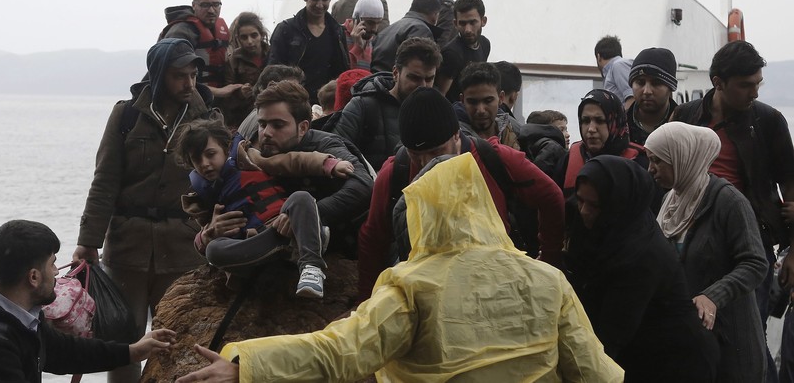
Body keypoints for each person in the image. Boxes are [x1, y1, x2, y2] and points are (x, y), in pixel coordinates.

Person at [173, 154, 624, 383]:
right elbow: (595, 372)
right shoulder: (548, 280)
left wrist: (245, 365)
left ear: (422, 213)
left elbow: (339, 352)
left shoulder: (414, 287)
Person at [73, 38, 214, 382]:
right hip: (127, 246)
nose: (190, 83)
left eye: (194, 75)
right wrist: (88, 241)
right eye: (180, 76)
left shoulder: (206, 117)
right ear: (159, 74)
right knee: (125, 340)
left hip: (183, 246)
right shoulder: (127, 115)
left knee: (177, 339)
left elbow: (218, 181)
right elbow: (105, 180)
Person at [357, 87, 565, 301]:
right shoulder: (395, 173)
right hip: (427, 295)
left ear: (457, 135)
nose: (427, 164)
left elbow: (551, 196)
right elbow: (373, 239)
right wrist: (365, 303)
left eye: (438, 152)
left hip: (496, 290)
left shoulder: (493, 159)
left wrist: (549, 260)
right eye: (416, 155)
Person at [671, 40, 794, 382]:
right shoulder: (686, 117)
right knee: (698, 332)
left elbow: (790, 183)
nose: (754, 92)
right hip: (692, 244)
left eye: (758, 84)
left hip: (748, 245)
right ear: (718, 82)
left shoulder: (769, 121)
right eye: (745, 85)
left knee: (748, 339)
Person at [0, 220, 177, 383]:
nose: (56, 272)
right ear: (33, 277)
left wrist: (132, 351)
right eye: (52, 263)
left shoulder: (21, 317)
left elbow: (66, 351)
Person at [568, 156, 720, 381]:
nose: (583, 211)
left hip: (675, 363)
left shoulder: (641, 254)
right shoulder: (615, 225)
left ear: (617, 204)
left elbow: (611, 336)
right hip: (639, 352)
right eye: (580, 201)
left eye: (594, 205)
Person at [644, 122, 769, 382]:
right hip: (688, 345)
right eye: (650, 160)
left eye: (658, 160)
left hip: (730, 344)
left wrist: (713, 297)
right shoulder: (670, 202)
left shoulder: (728, 201)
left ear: (681, 156)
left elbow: (755, 263)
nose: (651, 169)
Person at [175, 119, 353, 298]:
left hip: (284, 222)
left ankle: (311, 266)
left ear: (225, 148)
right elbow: (201, 239)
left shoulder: (249, 159)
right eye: (197, 159)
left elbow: (292, 161)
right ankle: (292, 245)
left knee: (301, 198)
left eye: (210, 154)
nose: (205, 163)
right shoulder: (202, 196)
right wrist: (207, 235)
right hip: (256, 243)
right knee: (214, 250)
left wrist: (328, 164)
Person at [205, 80, 374, 259]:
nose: (266, 133)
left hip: (342, 251)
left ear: (302, 128)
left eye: (278, 125)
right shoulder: (249, 155)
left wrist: (305, 215)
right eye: (262, 124)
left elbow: (363, 185)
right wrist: (210, 231)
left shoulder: (325, 145)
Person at [333, 37, 441, 171]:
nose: (423, 86)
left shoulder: (437, 113)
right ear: (396, 73)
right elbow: (336, 149)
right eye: (414, 78)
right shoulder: (363, 106)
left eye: (429, 79)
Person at [269, 0, 349, 104]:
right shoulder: (286, 30)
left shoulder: (337, 32)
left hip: (327, 105)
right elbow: (272, 72)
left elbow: (342, 71)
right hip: (294, 103)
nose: (320, 5)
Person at [555, 89, 647, 198]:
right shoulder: (568, 159)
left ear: (615, 122)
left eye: (600, 121)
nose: (591, 129)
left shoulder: (640, 162)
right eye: (585, 121)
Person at [160, 0, 240, 98]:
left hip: (215, 103)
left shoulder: (222, 29)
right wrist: (220, 92)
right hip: (187, 101)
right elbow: (173, 78)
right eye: (205, 5)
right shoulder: (181, 32)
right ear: (194, 5)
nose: (211, 10)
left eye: (216, 4)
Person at [218, 12, 269, 129]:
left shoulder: (272, 55)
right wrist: (240, 93)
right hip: (243, 119)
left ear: (261, 35)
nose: (250, 41)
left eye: (254, 35)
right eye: (244, 37)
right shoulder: (233, 60)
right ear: (238, 39)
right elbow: (226, 96)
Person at [436, 0, 491, 101]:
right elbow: (440, 96)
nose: (468, 30)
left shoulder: (485, 44)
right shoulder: (452, 54)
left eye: (472, 22)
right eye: (462, 24)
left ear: (483, 21)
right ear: (455, 24)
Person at [454, 62, 520, 149]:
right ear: (462, 100)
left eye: (488, 101)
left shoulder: (513, 131)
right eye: (472, 102)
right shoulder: (454, 142)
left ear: (501, 98)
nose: (481, 110)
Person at [370, 0, 442, 72]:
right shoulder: (421, 30)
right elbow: (419, 69)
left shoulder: (389, 29)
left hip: (375, 79)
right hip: (392, 80)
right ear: (435, 14)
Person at [236, 64, 305, 144]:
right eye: (290, 90)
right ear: (270, 88)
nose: (298, 95)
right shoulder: (264, 118)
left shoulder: (260, 114)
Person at [627, 47, 678, 145]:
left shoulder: (686, 126)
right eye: (640, 83)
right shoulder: (619, 128)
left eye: (656, 83)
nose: (647, 91)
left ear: (670, 87)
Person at [342, 0, 385, 70]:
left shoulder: (373, 42)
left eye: (378, 23)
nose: (374, 29)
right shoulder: (339, 35)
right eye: (370, 23)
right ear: (357, 18)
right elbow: (340, 72)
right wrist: (357, 48)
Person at [594, 35, 633, 108]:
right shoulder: (615, 68)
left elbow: (632, 97)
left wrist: (624, 119)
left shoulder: (618, 65)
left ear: (598, 57)